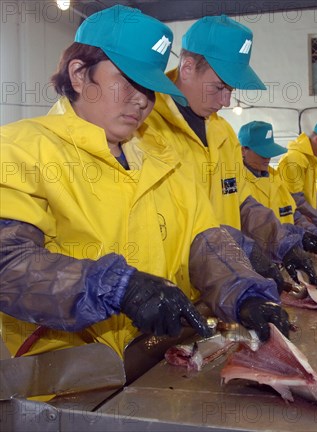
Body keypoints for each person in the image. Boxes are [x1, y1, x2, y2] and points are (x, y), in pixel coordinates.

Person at [0, 6, 287, 358]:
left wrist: (244, 292)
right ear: (78, 74)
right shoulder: (21, 150)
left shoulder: (162, 162)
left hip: (151, 361)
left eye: (150, 88)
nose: (141, 100)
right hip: (63, 379)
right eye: (128, 81)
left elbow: (204, 240)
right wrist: (115, 287)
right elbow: (9, 264)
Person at [144, 15, 317, 291]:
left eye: (230, 90)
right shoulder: (145, 128)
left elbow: (239, 200)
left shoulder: (223, 134)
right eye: (219, 87)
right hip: (168, 298)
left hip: (224, 291)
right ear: (188, 67)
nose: (226, 101)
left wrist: (282, 242)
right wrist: (242, 250)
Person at [238, 121, 317, 256]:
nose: (268, 158)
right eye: (262, 153)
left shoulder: (275, 179)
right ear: (243, 150)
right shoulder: (235, 184)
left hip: (287, 255)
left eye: (270, 151)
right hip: (259, 262)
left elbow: (293, 214)